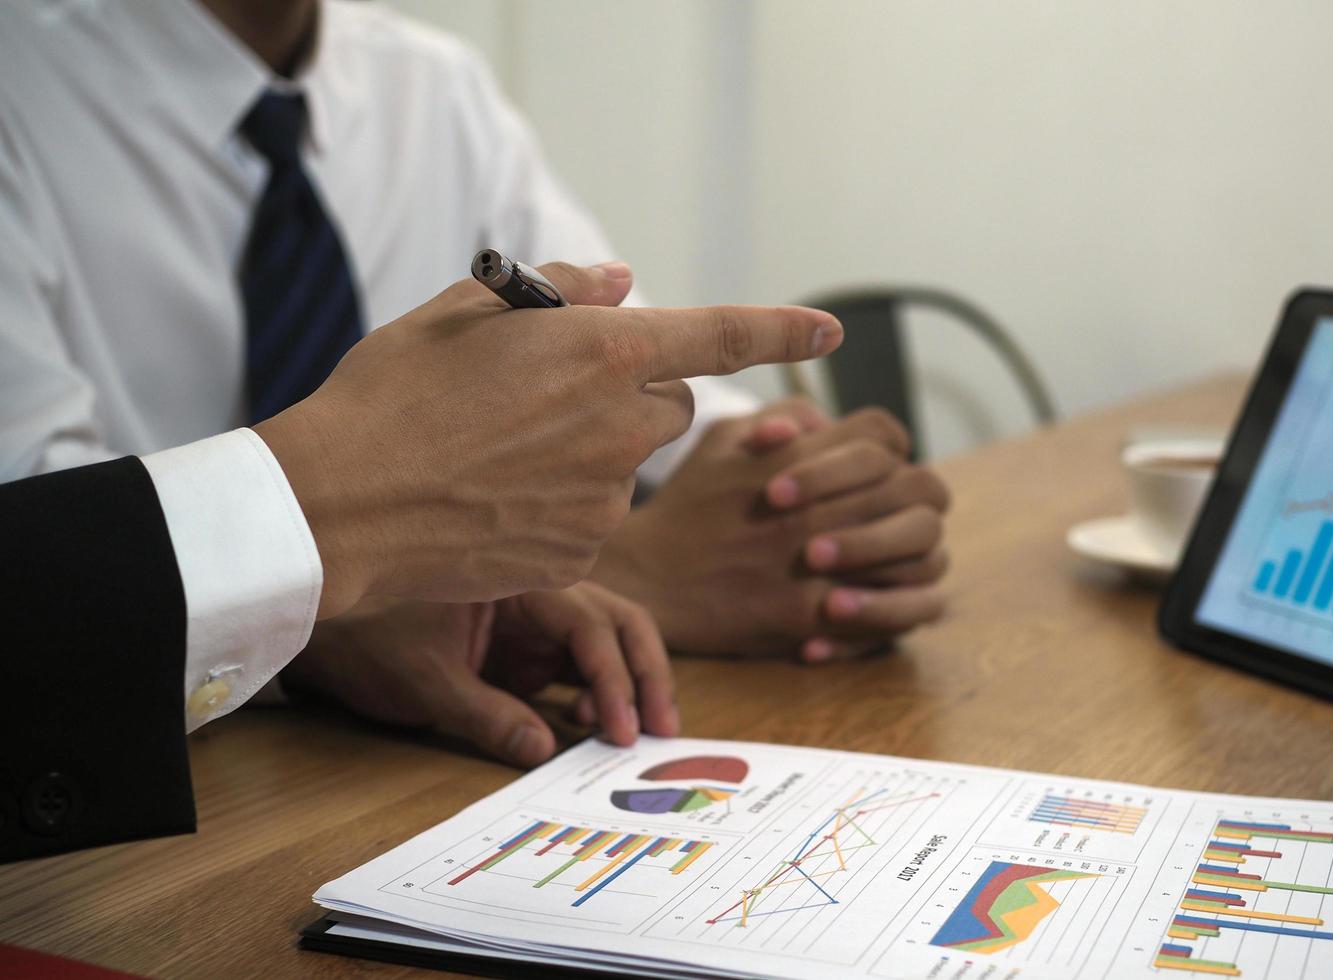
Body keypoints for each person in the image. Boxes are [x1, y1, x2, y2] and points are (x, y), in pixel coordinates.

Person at [0, 0, 948, 759]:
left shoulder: (433, 84)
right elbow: (52, 555)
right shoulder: (21, 88)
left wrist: (786, 476)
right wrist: (633, 567)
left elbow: (605, 356)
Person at [0, 264, 844, 862]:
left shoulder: (437, 87)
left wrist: (793, 471)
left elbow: (624, 376)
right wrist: (331, 504)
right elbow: (44, 517)